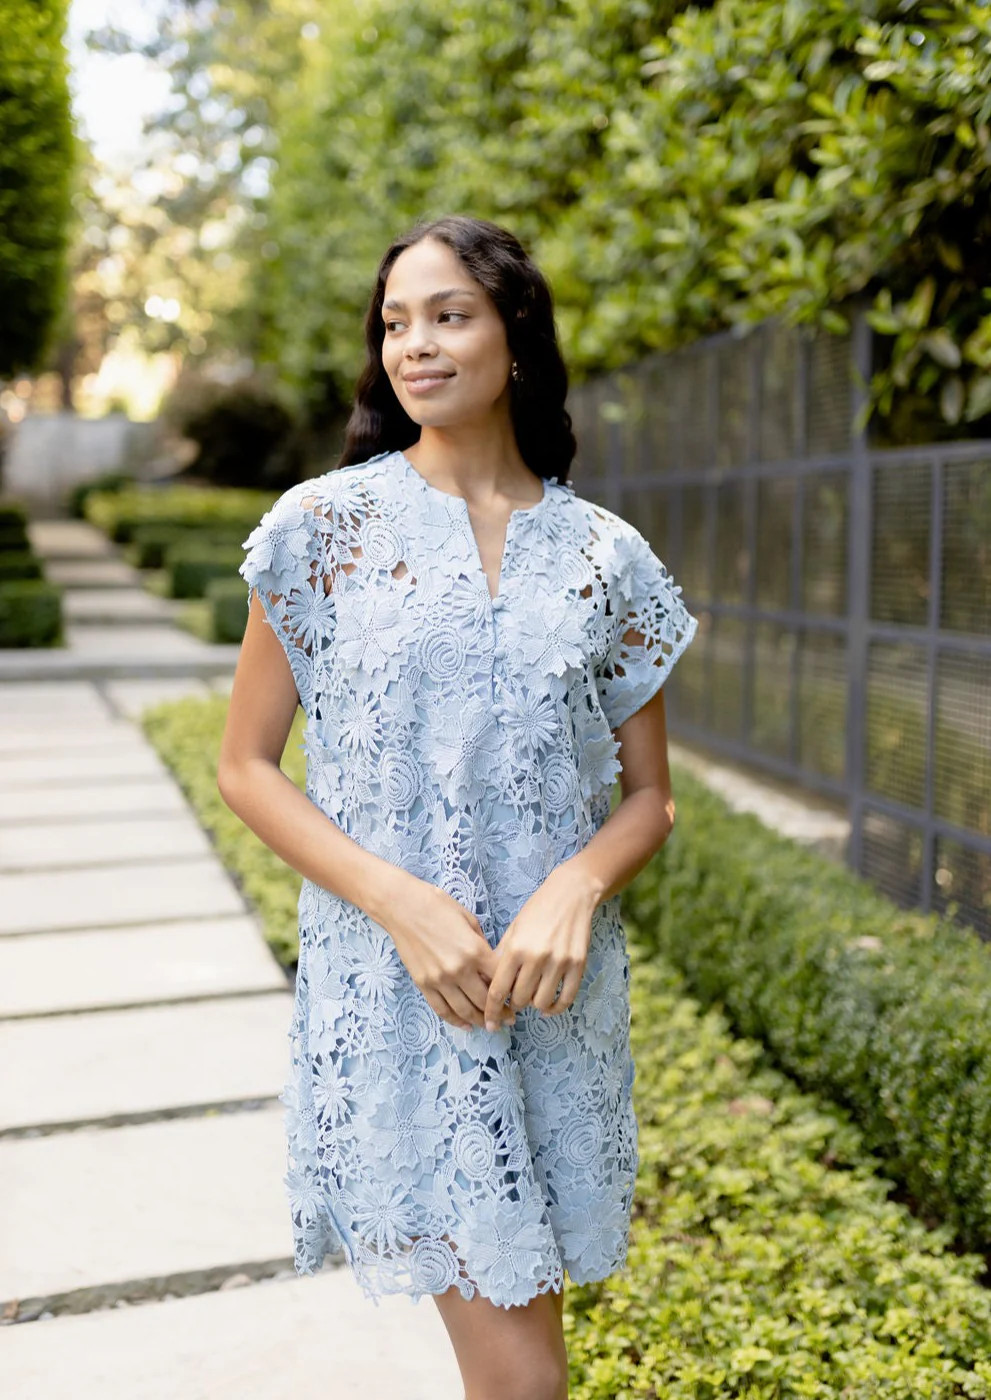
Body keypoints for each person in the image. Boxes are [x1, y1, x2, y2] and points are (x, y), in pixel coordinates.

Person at [217, 213, 698, 1400]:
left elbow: (650, 798)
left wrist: (575, 884)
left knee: (523, 1367)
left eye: (447, 315)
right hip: (399, 994)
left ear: (515, 336)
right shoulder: (320, 531)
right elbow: (247, 765)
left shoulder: (606, 557)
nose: (414, 344)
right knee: (525, 1377)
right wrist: (404, 905)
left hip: (551, 1002)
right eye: (395, 323)